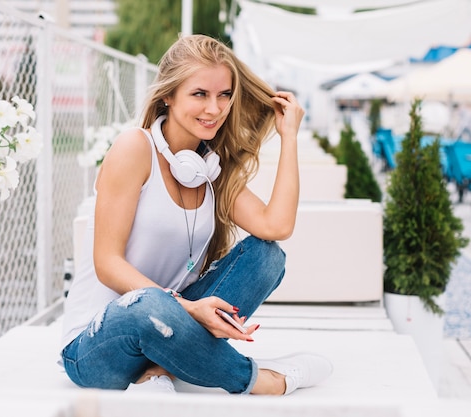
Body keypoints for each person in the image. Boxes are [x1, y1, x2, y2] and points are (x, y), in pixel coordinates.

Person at [61, 34, 333, 395]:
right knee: (149, 305)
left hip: (171, 321)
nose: (215, 108)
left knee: (267, 256)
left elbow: (277, 225)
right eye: (200, 94)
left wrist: (289, 137)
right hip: (97, 344)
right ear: (168, 96)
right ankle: (263, 380)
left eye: (224, 95)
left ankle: (158, 367)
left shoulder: (208, 169)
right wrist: (186, 309)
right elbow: (107, 263)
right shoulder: (134, 148)